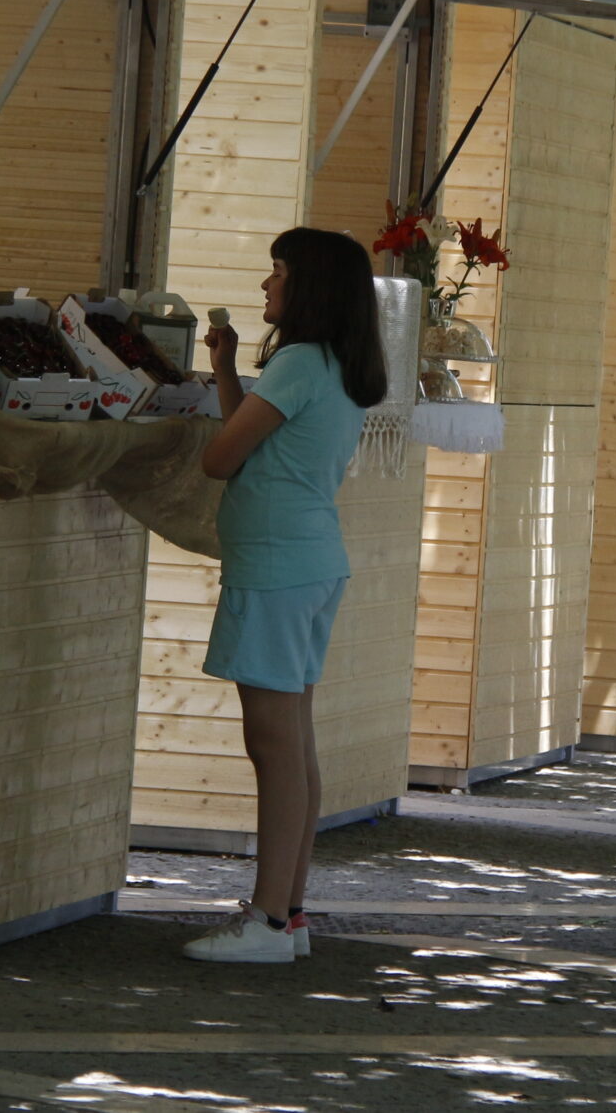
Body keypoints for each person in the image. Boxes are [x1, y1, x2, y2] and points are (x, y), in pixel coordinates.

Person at [185, 228, 387, 964]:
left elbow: (219, 457)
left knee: (273, 747)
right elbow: (257, 436)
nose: (267, 285)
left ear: (309, 289)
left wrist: (230, 389)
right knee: (293, 742)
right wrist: (227, 368)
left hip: (275, 567)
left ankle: (267, 920)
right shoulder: (329, 363)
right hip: (308, 562)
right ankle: (289, 913)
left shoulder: (299, 362)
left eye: (278, 273)